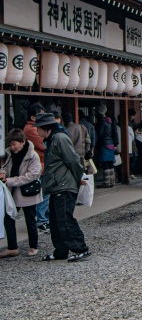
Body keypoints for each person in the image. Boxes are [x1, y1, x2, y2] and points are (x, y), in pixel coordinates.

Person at [35, 113, 90, 262]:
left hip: (64, 185)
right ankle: (60, 250)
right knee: (55, 220)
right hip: (57, 185)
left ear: (45, 127)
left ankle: (80, 248)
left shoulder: (59, 138)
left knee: (65, 219)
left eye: (38, 128)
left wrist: (79, 177)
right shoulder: (52, 139)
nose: (37, 132)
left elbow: (72, 160)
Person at [0, 129, 42, 257]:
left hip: (27, 190)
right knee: (8, 217)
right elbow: (6, 167)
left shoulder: (32, 155)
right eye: (10, 145)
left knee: (30, 219)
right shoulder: (9, 154)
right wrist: (3, 172)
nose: (12, 147)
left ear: (22, 142)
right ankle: (12, 247)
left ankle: (34, 246)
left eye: (14, 144)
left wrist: (10, 180)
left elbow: (33, 175)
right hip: (12, 191)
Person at [24, 103, 48, 232]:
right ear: (33, 117)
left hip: (43, 163)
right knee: (44, 193)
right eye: (41, 115)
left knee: (45, 192)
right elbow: (44, 145)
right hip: (41, 164)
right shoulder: (31, 129)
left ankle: (44, 218)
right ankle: (41, 219)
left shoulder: (34, 128)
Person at [95, 104, 118, 188]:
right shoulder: (110, 120)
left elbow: (100, 133)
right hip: (111, 143)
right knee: (110, 163)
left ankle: (106, 182)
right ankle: (112, 181)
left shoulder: (101, 121)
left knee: (105, 163)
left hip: (104, 143)